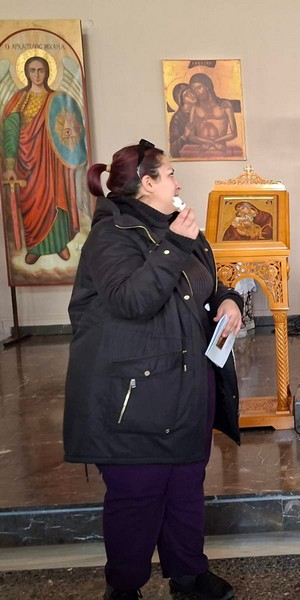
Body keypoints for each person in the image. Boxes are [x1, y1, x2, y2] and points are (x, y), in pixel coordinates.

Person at [63, 140, 243, 600]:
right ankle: (124, 587)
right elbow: (132, 299)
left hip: (186, 386)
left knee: (185, 489)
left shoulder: (179, 229)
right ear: (147, 182)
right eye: (170, 174)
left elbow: (206, 284)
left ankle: (188, 574)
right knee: (137, 498)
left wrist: (228, 300)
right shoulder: (112, 234)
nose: (178, 183)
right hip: (134, 395)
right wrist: (175, 244)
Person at [2, 55, 82, 264]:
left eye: (41, 70)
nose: (37, 75)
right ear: (26, 73)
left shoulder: (57, 99)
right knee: (33, 204)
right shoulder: (19, 99)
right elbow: (10, 131)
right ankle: (35, 247)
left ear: (47, 73)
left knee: (56, 198)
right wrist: (9, 165)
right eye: (32, 70)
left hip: (52, 162)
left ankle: (59, 244)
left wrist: (70, 152)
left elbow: (70, 129)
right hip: (26, 164)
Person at [187, 73, 238, 155]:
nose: (197, 92)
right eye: (194, 90)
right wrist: (212, 143)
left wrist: (212, 142)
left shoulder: (225, 105)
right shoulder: (194, 108)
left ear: (207, 86)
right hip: (202, 150)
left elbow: (234, 133)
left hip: (222, 149)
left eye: (199, 88)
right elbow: (191, 136)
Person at [169, 83, 197, 157]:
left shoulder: (199, 111)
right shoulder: (177, 119)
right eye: (187, 94)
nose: (192, 95)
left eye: (191, 92)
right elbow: (173, 150)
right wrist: (185, 136)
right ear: (181, 100)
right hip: (188, 155)